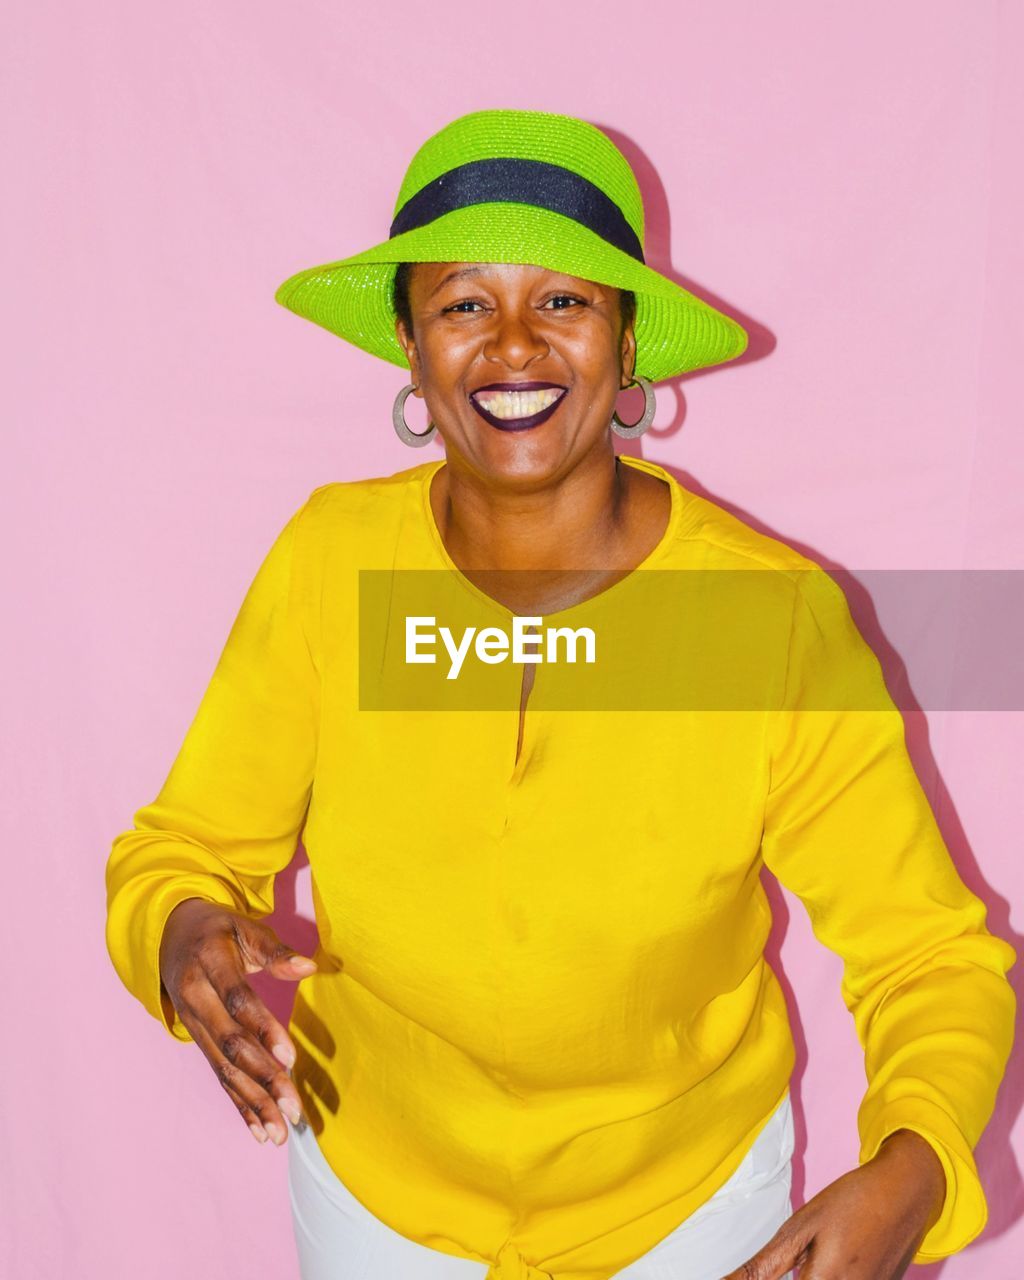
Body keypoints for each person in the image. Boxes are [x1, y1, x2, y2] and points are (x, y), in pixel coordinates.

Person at [104, 109, 1016, 1280]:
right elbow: (181, 848)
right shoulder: (333, 564)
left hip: (689, 1218)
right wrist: (179, 929)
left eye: (566, 301)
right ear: (411, 347)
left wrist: (915, 1166)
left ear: (628, 343)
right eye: (464, 303)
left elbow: (927, 954)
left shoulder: (764, 621)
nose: (515, 345)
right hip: (374, 1198)